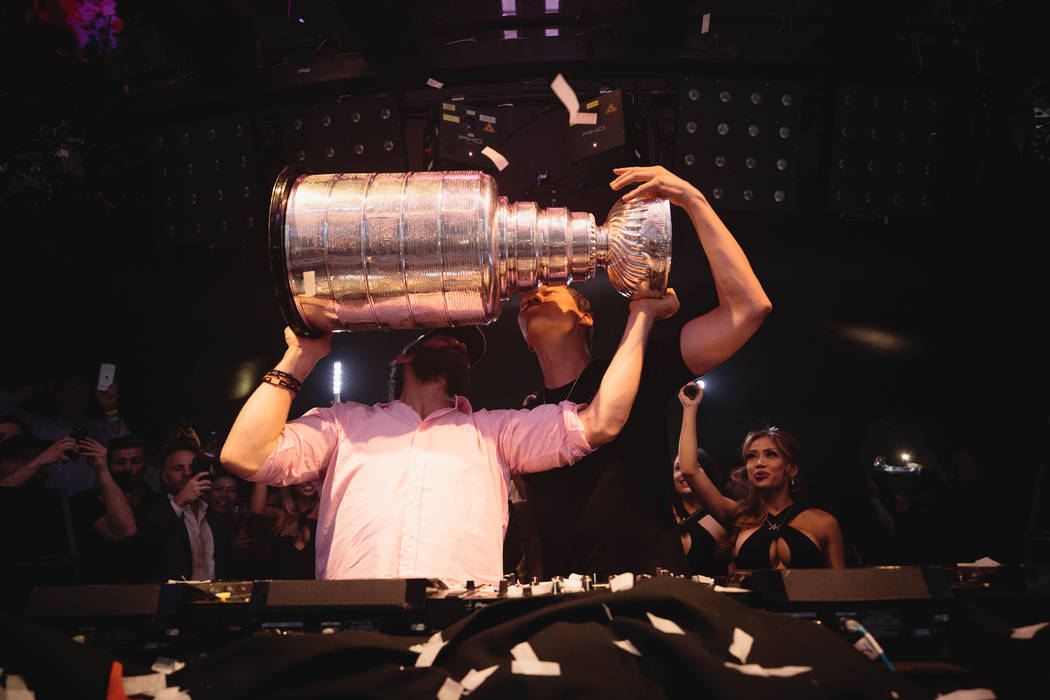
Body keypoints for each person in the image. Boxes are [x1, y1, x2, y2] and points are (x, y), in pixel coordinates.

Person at [220, 289, 677, 586]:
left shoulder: (494, 431)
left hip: (459, 626)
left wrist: (639, 316)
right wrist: (300, 356)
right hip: (353, 619)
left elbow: (602, 423)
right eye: (442, 336)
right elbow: (244, 455)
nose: (457, 343)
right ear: (403, 357)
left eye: (464, 344)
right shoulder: (344, 424)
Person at [515, 165, 772, 578]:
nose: (537, 290)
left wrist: (693, 200)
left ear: (586, 318)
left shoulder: (642, 370)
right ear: (526, 339)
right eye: (530, 295)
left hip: (646, 593)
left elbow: (748, 310)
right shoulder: (524, 416)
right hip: (561, 607)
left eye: (553, 287)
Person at [676, 383, 845, 570]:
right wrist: (690, 408)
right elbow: (689, 470)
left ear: (792, 469)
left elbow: (839, 590)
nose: (759, 463)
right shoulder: (737, 515)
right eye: (751, 456)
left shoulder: (824, 523)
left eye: (771, 454)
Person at [138, 441, 231, 581]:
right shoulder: (151, 508)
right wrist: (180, 501)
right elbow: (147, 546)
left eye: (191, 467)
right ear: (165, 477)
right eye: (178, 468)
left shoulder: (212, 513)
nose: (187, 473)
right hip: (172, 598)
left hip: (212, 597)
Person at [68, 436, 140, 582]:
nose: (127, 468)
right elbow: (125, 531)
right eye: (119, 462)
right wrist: (102, 470)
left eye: (136, 461)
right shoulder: (86, 501)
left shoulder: (156, 501)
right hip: (100, 587)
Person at [672, 448, 730, 577]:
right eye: (677, 468)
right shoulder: (665, 515)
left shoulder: (723, 514)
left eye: (695, 467)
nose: (684, 473)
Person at [249, 481, 320, 579]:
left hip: (315, 590)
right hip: (276, 589)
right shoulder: (280, 515)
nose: (308, 481)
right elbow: (257, 510)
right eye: (303, 477)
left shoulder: (326, 516)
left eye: (313, 478)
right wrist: (263, 471)